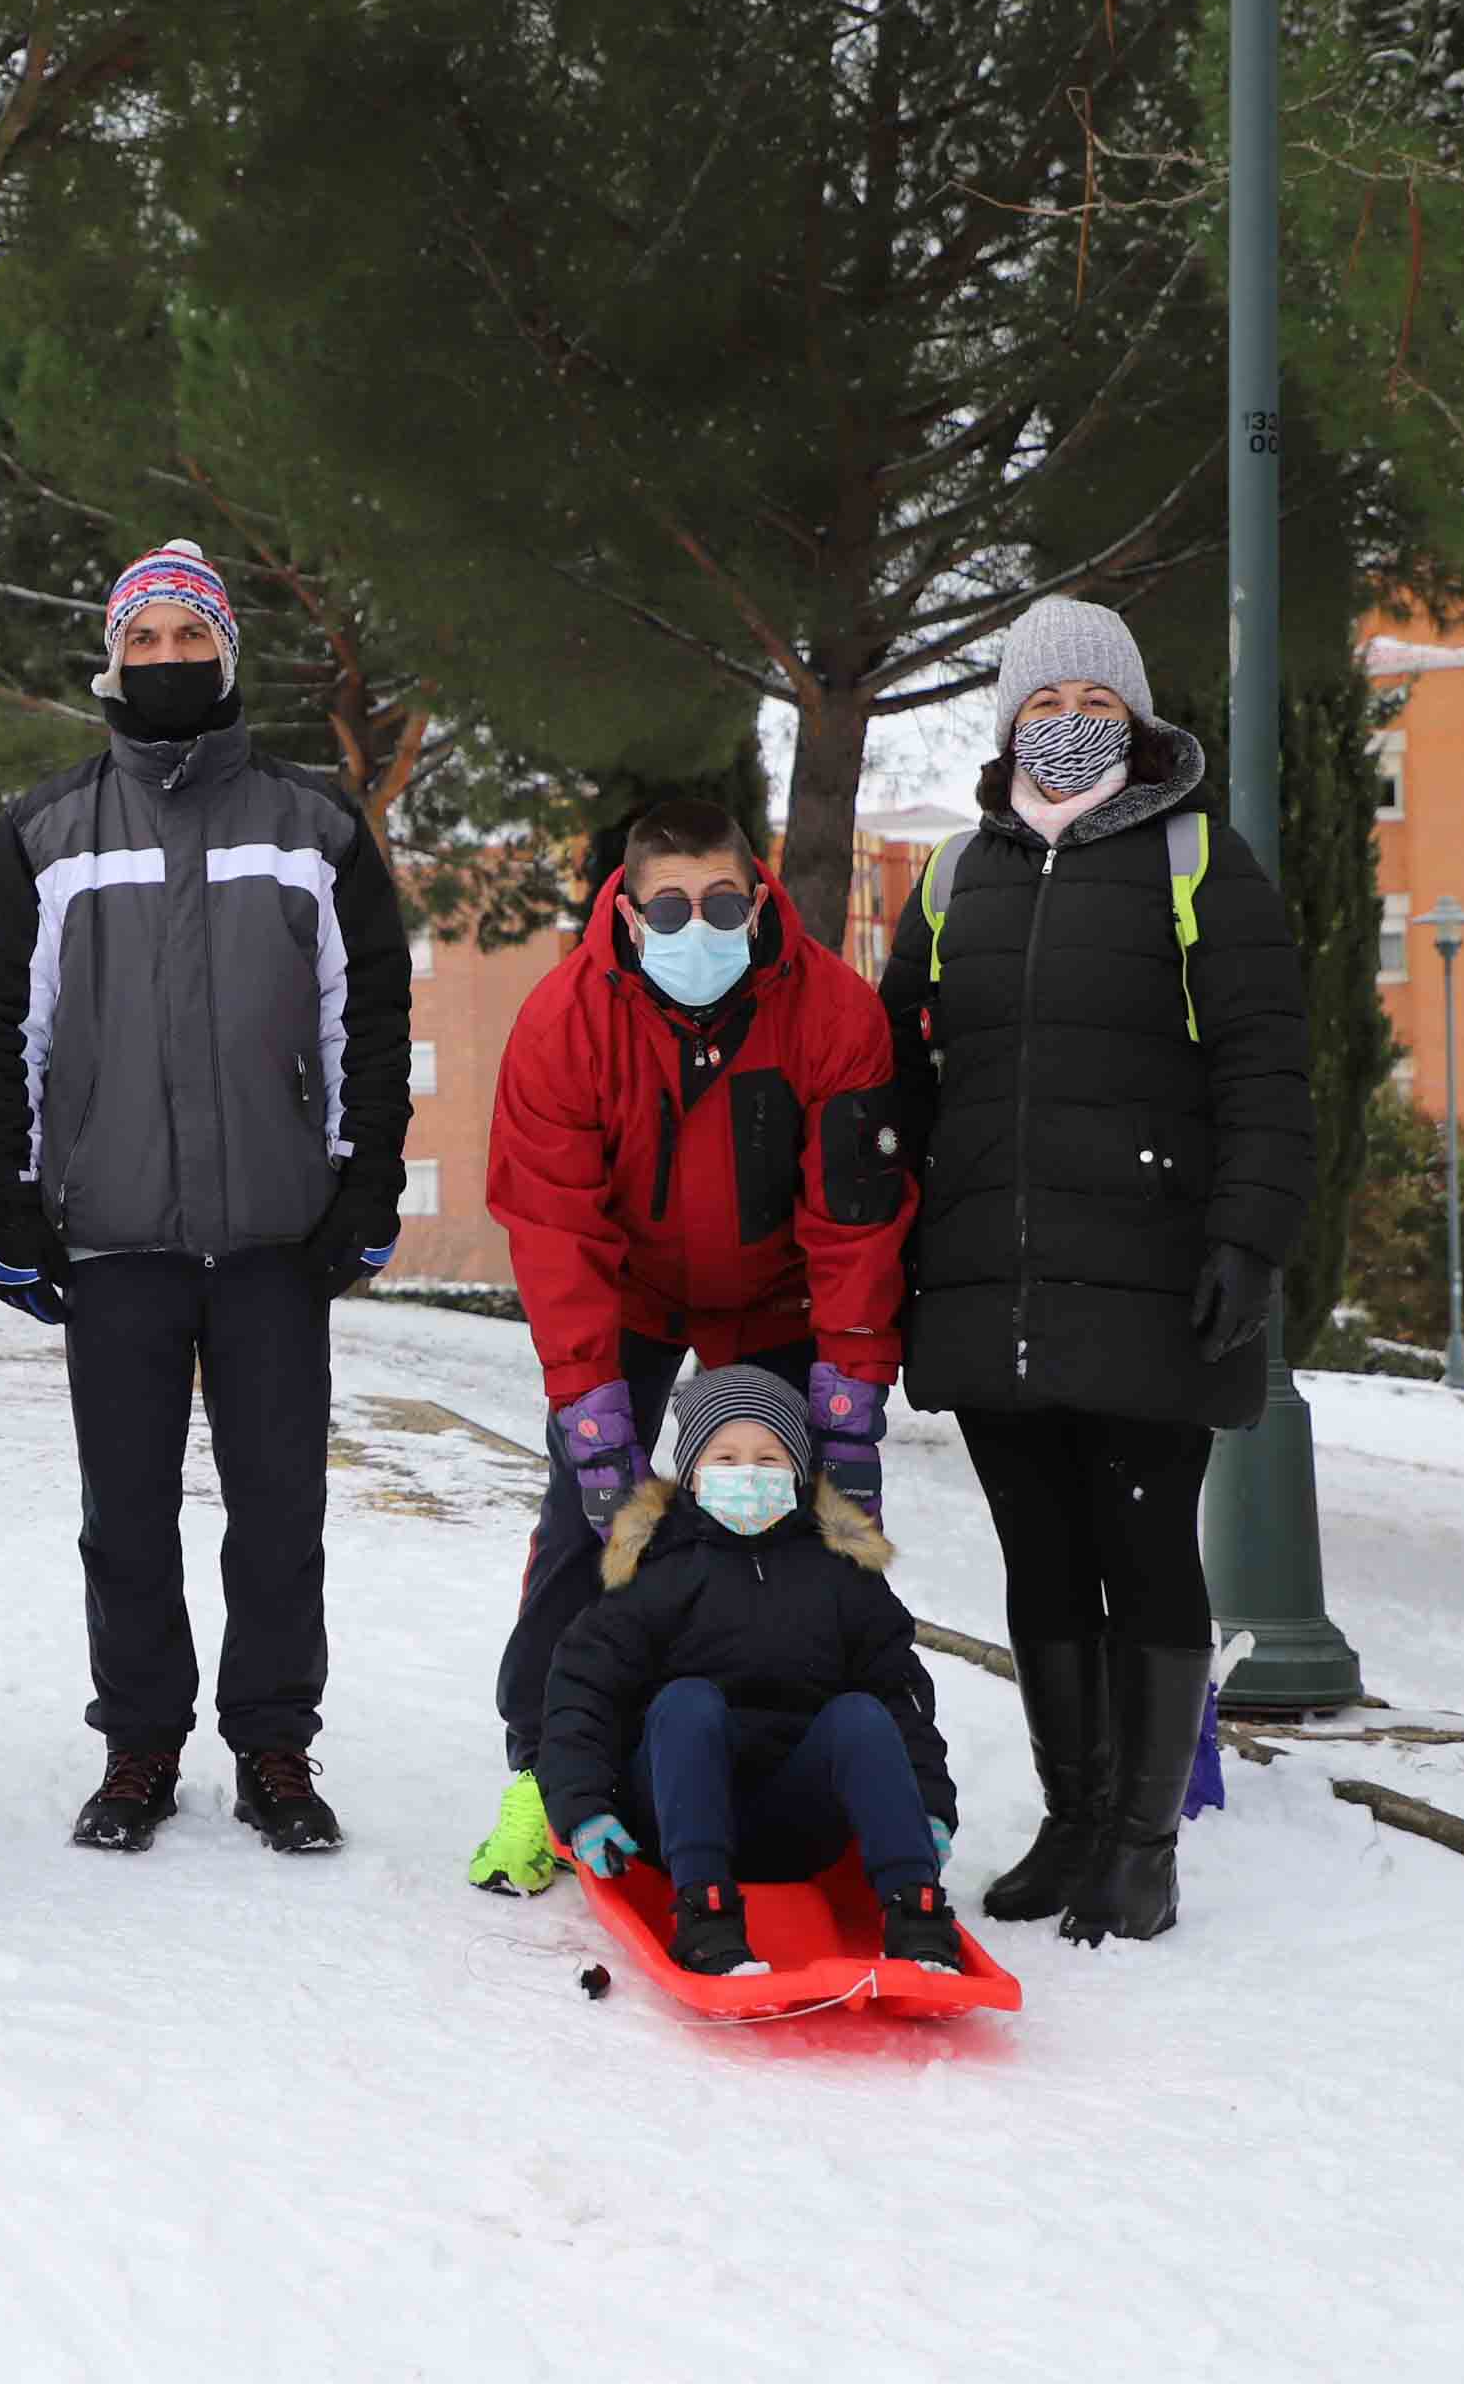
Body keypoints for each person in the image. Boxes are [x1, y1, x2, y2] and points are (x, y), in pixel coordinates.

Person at [0, 539, 415, 1857]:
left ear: (224, 652)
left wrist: (363, 1178)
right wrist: (14, 1202)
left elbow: (367, 1017)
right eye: (143, 638)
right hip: (117, 1239)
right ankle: (140, 1743)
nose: (165, 657)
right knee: (128, 1513)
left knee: (278, 1509)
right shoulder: (47, 832)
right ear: (114, 656)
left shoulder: (315, 825)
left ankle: (274, 1745)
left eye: (186, 636)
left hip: (274, 1235)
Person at [876, 597, 1312, 1947]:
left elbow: (1266, 1068)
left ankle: (1143, 1840)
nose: (1068, 729)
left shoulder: (1197, 861)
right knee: (1042, 1558)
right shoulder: (954, 879)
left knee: (1145, 1548)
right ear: (1009, 724)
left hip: (1147, 1280)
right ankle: (1072, 1819)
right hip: (993, 1287)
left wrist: (1247, 1239)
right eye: (1045, 708)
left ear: (1139, 720)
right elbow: (895, 1073)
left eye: (1096, 707)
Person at [468, 795, 913, 1897]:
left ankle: (819, 1768)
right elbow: (555, 1229)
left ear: (758, 897)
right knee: (589, 1526)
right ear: (625, 914)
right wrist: (591, 1415)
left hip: (771, 1294)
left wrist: (848, 1404)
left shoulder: (832, 1010)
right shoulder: (562, 1021)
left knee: (807, 1531)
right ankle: (542, 1772)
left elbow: (855, 1219)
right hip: (622, 1294)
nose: (695, 925)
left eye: (721, 900)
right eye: (667, 906)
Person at [534, 1367, 968, 1978]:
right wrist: (582, 1806)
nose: (749, 1474)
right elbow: (583, 1689)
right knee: (687, 1703)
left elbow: (900, 1695)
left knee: (862, 1714)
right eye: (728, 1457)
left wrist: (925, 1807)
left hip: (797, 1824)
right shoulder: (657, 1571)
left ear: (797, 1473)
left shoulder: (839, 1575)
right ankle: (705, 1917)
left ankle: (915, 1912)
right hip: (674, 1816)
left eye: (769, 1459)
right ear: (692, 1472)